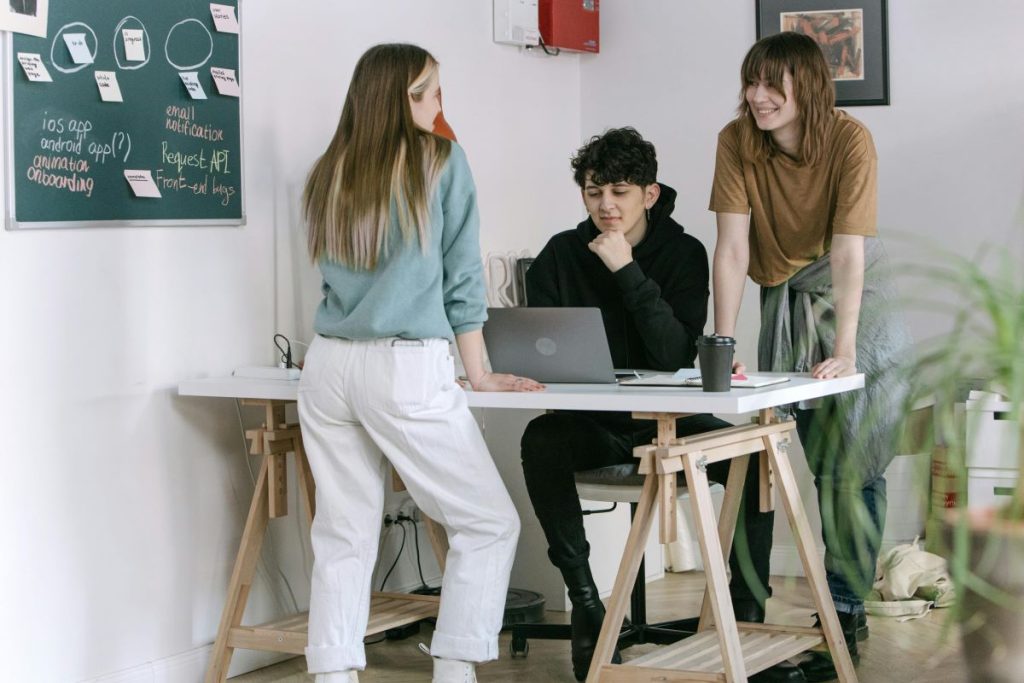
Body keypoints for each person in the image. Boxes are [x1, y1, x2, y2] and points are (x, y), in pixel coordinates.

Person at [298, 43, 543, 683]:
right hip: (404, 368)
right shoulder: (441, 160)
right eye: (433, 91)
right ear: (406, 98)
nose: (441, 104)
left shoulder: (330, 169)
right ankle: (455, 670)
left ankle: (331, 674)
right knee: (487, 523)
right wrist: (480, 372)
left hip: (327, 369)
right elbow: (461, 278)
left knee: (343, 534)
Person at [521, 127, 799, 683]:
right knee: (539, 440)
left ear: (649, 194)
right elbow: (539, 352)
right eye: (593, 191)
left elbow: (675, 354)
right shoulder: (559, 254)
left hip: (670, 421)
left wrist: (626, 269)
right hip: (593, 424)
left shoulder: (683, 254)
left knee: (754, 458)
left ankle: (742, 623)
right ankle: (587, 606)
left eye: (619, 191)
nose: (605, 205)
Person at [709, 32, 912, 681]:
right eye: (751, 82)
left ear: (808, 87)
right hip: (784, 293)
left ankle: (846, 608)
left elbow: (849, 251)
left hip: (856, 296)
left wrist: (845, 349)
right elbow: (733, 249)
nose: (757, 97)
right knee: (763, 449)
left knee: (851, 460)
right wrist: (722, 343)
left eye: (773, 85)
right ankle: (746, 608)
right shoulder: (737, 141)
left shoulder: (850, 140)